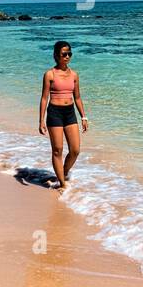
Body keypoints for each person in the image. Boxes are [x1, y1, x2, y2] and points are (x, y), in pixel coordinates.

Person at [38, 40, 88, 190]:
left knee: (75, 150)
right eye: (64, 54)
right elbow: (44, 98)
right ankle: (62, 184)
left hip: (70, 113)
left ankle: (63, 172)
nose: (67, 57)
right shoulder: (50, 74)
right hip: (54, 113)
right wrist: (41, 120)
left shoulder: (74, 75)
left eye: (69, 54)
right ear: (56, 55)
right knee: (57, 149)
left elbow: (77, 97)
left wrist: (84, 117)